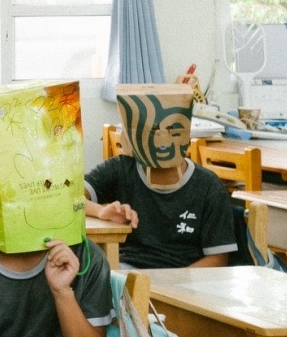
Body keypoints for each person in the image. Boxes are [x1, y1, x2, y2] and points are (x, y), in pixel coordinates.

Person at [83, 84, 238, 271]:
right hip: (128, 270)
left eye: (172, 130)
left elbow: (218, 259)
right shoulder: (121, 169)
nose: (162, 139)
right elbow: (69, 199)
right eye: (153, 130)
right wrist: (100, 211)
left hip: (187, 277)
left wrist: (171, 283)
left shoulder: (208, 186)